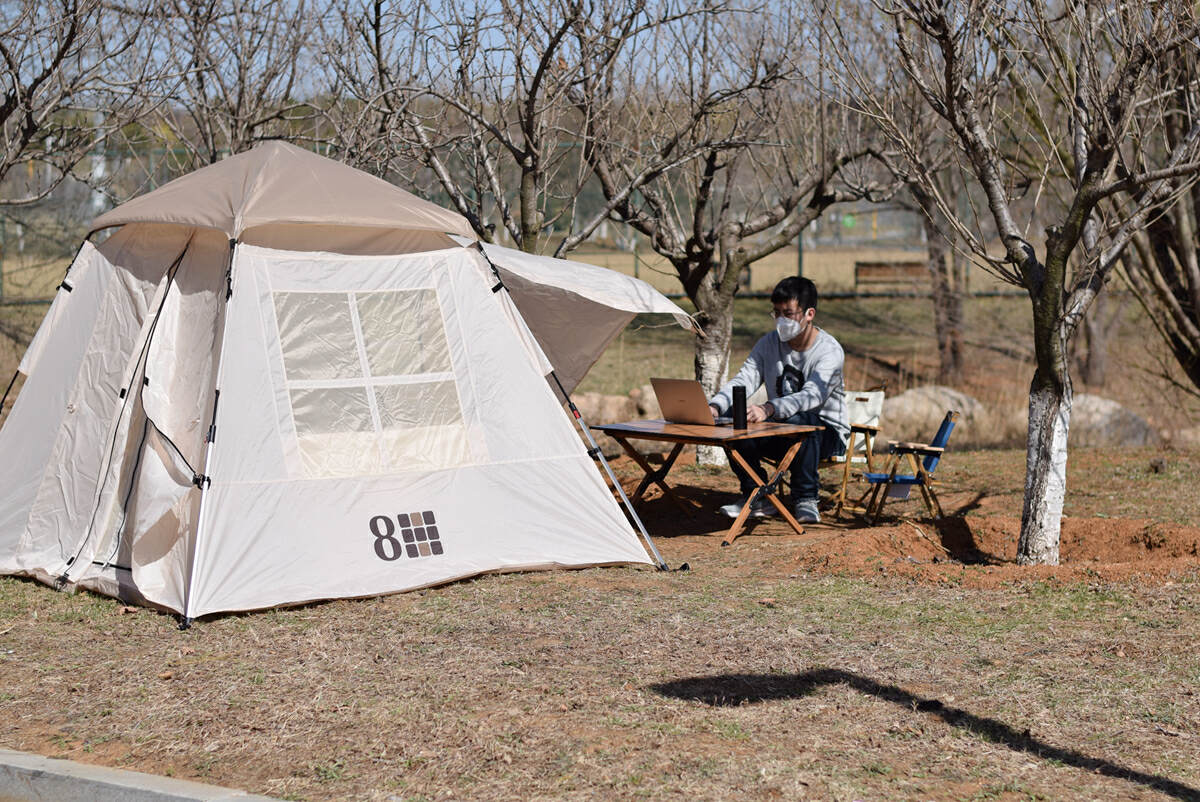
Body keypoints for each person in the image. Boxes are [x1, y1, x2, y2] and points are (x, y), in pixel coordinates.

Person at [707, 276, 848, 524]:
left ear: (809, 314)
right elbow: (745, 379)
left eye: (788, 313)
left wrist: (769, 408)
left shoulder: (830, 351)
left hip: (827, 435)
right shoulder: (768, 343)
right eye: (777, 313)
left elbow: (812, 396)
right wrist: (716, 406)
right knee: (733, 418)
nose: (781, 320)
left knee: (803, 421)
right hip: (780, 428)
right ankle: (756, 494)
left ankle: (806, 498)